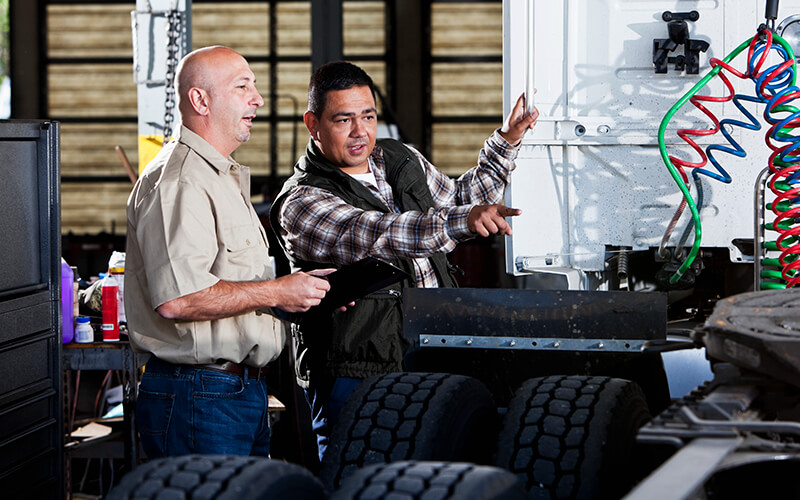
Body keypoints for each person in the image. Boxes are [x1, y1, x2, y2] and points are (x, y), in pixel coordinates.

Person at [270, 61, 538, 459]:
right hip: (357, 372)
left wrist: (507, 139)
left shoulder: (398, 158)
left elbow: (461, 199)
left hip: (435, 353)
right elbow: (379, 233)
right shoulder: (301, 202)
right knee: (363, 479)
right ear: (313, 124)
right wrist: (462, 220)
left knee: (440, 475)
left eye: (368, 116)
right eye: (344, 119)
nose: (360, 131)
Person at [125, 46, 334, 458]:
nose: (257, 98)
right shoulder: (180, 183)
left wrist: (298, 295)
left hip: (232, 394)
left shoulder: (219, 176)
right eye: (242, 87)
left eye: (254, 86)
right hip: (199, 395)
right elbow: (178, 299)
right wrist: (277, 292)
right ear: (200, 100)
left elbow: (232, 285)